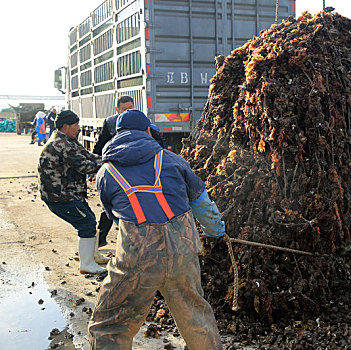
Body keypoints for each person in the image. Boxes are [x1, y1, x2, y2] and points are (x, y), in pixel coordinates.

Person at [88, 109, 223, 349]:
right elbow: (203, 205)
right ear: (149, 131)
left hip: (137, 260)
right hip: (182, 254)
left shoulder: (105, 173)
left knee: (110, 325)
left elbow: (116, 219)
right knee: (195, 315)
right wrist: (216, 232)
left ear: (117, 134)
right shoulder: (172, 160)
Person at [38, 110, 108, 274]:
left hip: (70, 192)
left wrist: (108, 158)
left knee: (89, 219)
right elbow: (85, 166)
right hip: (60, 196)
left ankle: (93, 255)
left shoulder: (68, 140)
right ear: (65, 126)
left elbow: (87, 156)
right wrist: (109, 165)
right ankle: (87, 264)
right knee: (86, 223)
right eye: (75, 125)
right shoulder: (62, 144)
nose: (78, 127)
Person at [93, 96, 135, 247]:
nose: (128, 112)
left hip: (136, 169)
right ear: (117, 110)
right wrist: (96, 167)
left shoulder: (139, 120)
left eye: (131, 108)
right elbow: (100, 146)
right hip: (117, 169)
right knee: (110, 203)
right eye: (125, 109)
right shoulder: (110, 123)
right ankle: (100, 239)